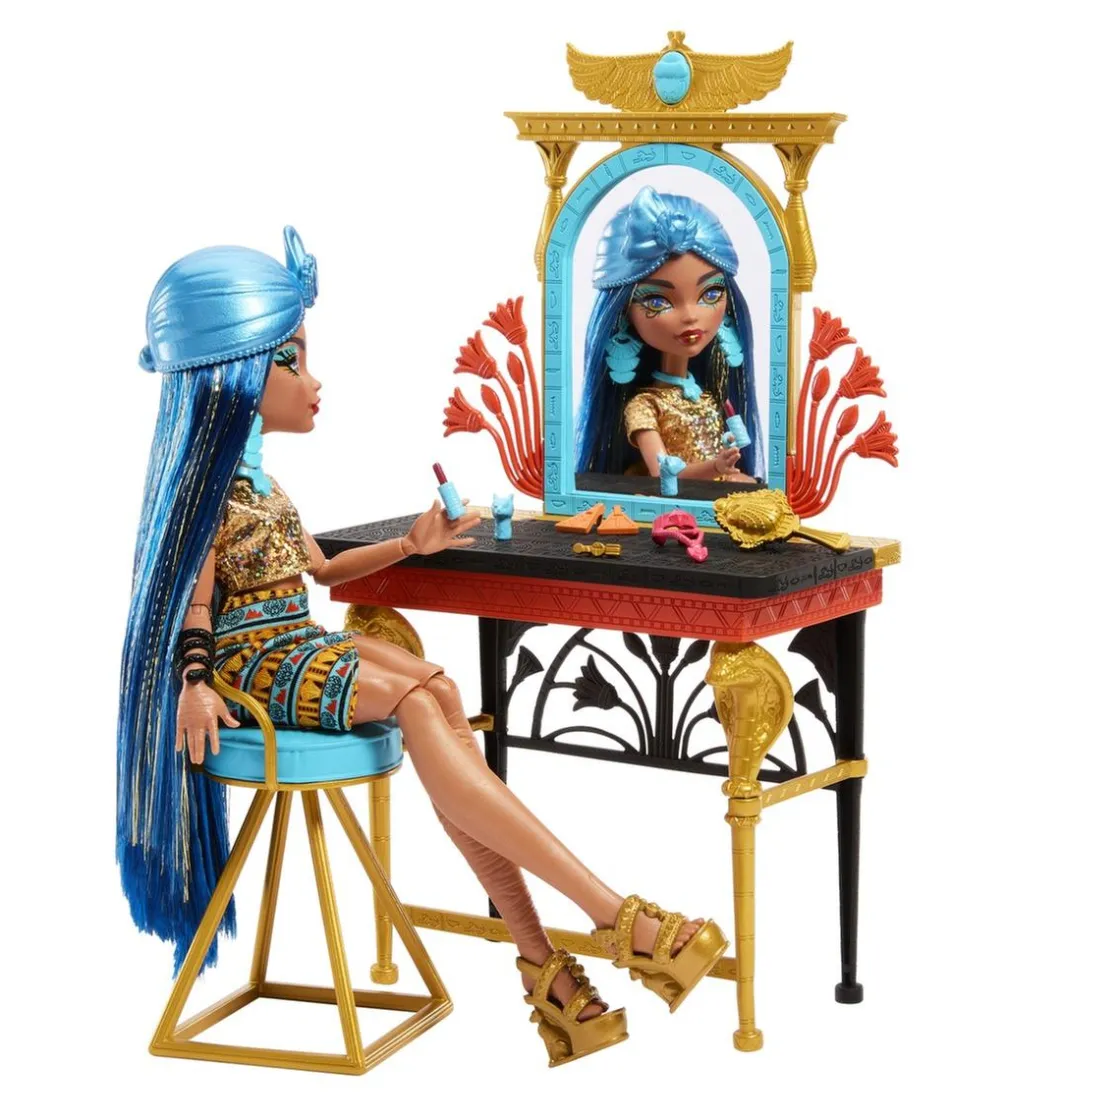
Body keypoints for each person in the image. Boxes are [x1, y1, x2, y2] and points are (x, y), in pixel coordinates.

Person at [117, 227, 728, 1066]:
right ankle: (617, 918)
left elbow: (322, 570)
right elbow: (190, 607)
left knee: (438, 689)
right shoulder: (204, 493)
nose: (312, 381)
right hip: (253, 665)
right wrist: (192, 686)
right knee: (414, 700)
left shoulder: (260, 482)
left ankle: (545, 972)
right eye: (291, 360)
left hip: (296, 640)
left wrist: (412, 544)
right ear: (237, 374)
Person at [575, 185, 765, 483]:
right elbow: (664, 475)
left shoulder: (708, 397)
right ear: (624, 312)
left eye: (710, 294)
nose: (690, 316)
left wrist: (729, 466)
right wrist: (717, 468)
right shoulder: (644, 406)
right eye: (657, 301)